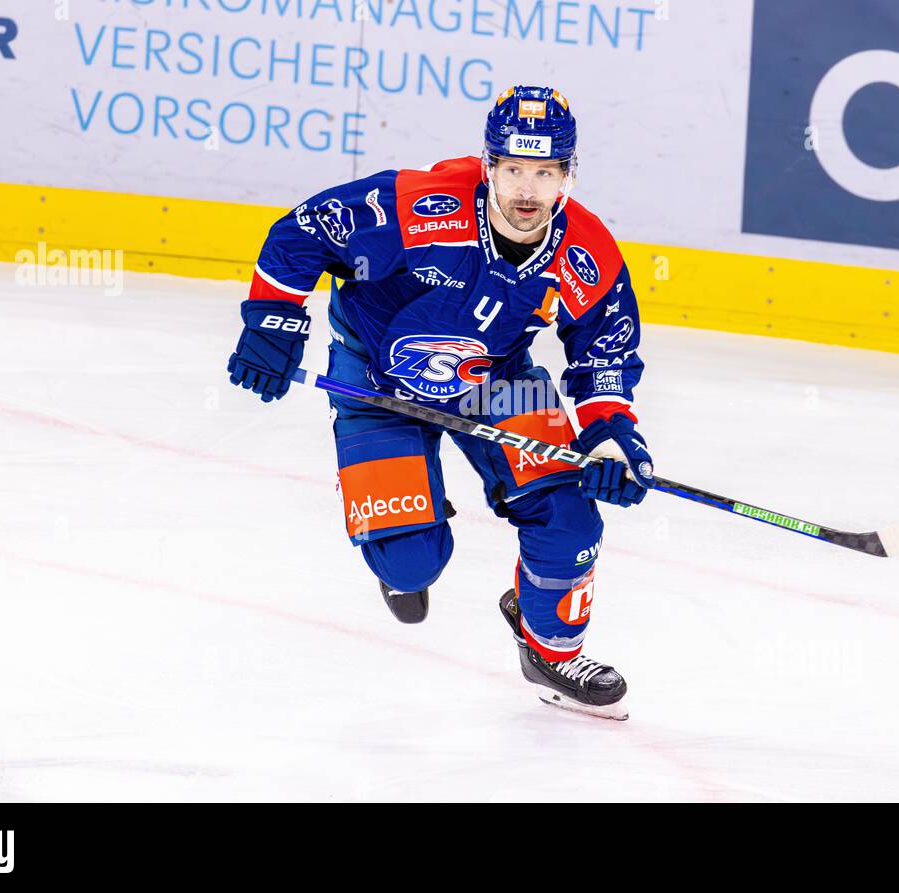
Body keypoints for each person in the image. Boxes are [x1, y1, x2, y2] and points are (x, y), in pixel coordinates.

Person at [227, 85, 652, 720]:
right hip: (373, 381)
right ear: (489, 166)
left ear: (567, 174)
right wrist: (272, 324)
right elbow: (302, 233)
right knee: (410, 565)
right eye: (513, 169)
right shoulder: (417, 206)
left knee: (570, 514)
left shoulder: (587, 251)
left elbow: (604, 355)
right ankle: (406, 531)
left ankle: (552, 652)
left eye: (545, 172)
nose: (527, 190)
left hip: (500, 379)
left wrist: (611, 436)